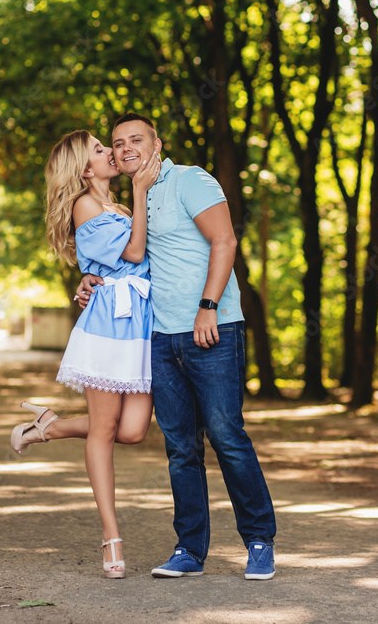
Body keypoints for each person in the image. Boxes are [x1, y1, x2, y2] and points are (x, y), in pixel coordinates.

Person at [77, 113, 277, 580]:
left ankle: (259, 540)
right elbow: (128, 259)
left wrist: (208, 305)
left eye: (136, 140)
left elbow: (225, 241)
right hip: (159, 338)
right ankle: (190, 550)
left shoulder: (190, 180)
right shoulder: (132, 199)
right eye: (117, 142)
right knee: (180, 448)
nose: (125, 148)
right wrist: (90, 278)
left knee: (227, 437)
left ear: (157, 144)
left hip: (213, 327)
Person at [10, 130, 160, 579]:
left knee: (132, 431)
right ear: (84, 168)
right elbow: (134, 251)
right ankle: (111, 536)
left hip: (139, 324)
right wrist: (140, 187)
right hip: (108, 328)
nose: (111, 153)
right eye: (100, 149)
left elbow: (135, 259)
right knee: (105, 430)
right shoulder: (85, 205)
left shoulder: (117, 207)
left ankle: (49, 427)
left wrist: (91, 275)